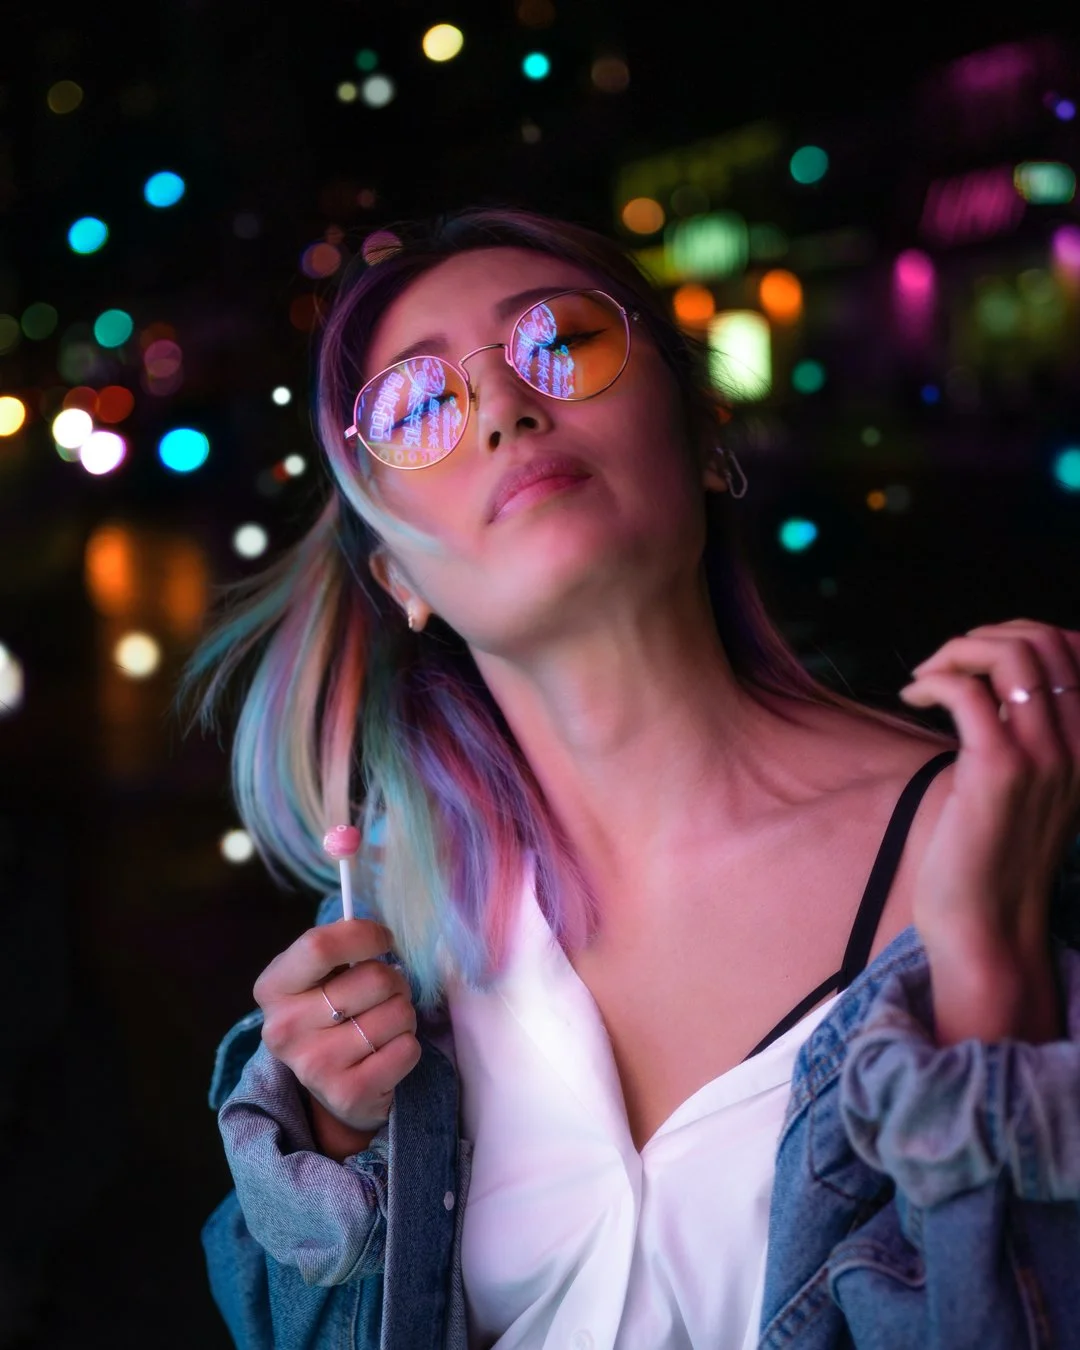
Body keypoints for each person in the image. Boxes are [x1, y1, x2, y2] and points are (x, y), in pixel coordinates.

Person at [176, 206, 1080, 1350]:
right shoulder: (396, 926)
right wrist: (342, 1154)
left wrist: (994, 977)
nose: (504, 405)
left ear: (704, 432)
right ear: (396, 570)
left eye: (562, 339)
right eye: (416, 407)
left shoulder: (997, 834)